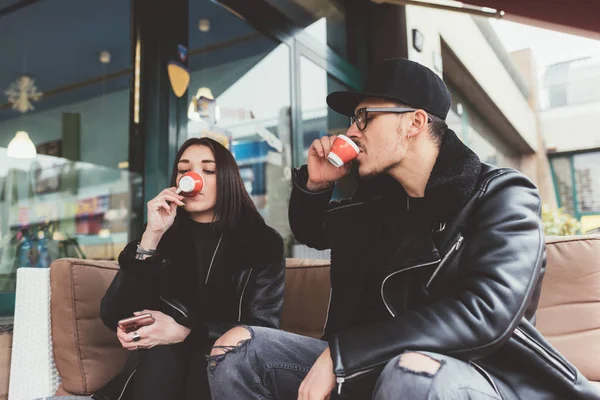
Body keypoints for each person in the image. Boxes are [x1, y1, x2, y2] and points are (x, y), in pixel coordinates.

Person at [206, 58, 600, 400]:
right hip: (368, 363)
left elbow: (485, 312)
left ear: (414, 122)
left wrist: (345, 355)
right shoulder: (379, 202)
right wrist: (317, 185)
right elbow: (313, 231)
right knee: (237, 351)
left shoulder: (501, 194)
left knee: (410, 371)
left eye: (364, 117)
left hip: (475, 377)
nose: (351, 132)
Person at [95, 137, 285, 400]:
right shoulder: (165, 235)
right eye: (185, 170)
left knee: (201, 362)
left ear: (228, 178)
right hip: (159, 366)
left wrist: (185, 333)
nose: (194, 177)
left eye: (208, 170)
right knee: (163, 353)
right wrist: (151, 236)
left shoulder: (261, 241)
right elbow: (112, 314)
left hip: (221, 367)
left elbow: (263, 331)